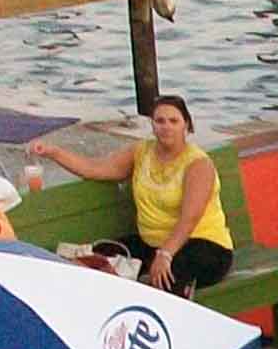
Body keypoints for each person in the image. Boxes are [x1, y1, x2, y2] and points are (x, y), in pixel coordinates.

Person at [30, 94, 233, 294]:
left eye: (174, 121)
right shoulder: (141, 152)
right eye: (160, 121)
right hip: (153, 245)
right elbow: (96, 168)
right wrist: (52, 152)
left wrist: (165, 255)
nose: (166, 126)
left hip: (202, 246)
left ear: (187, 126)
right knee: (94, 259)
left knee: (165, 280)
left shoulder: (198, 164)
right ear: (152, 125)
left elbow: (190, 219)